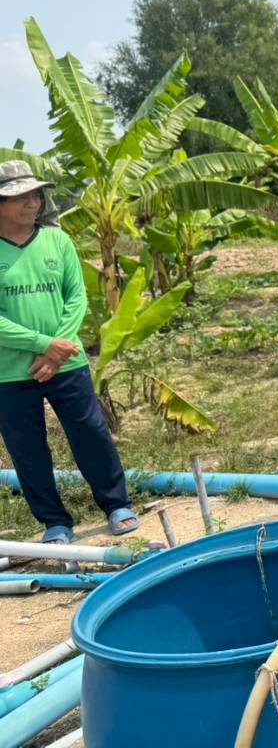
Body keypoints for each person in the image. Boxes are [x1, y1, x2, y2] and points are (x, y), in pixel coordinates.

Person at [0, 160, 138, 543]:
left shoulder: (58, 241)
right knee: (27, 451)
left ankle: (116, 505)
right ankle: (55, 522)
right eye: (19, 196)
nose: (31, 203)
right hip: (10, 372)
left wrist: (58, 350)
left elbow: (75, 298)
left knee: (91, 434)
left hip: (67, 363)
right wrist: (43, 346)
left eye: (35, 194)